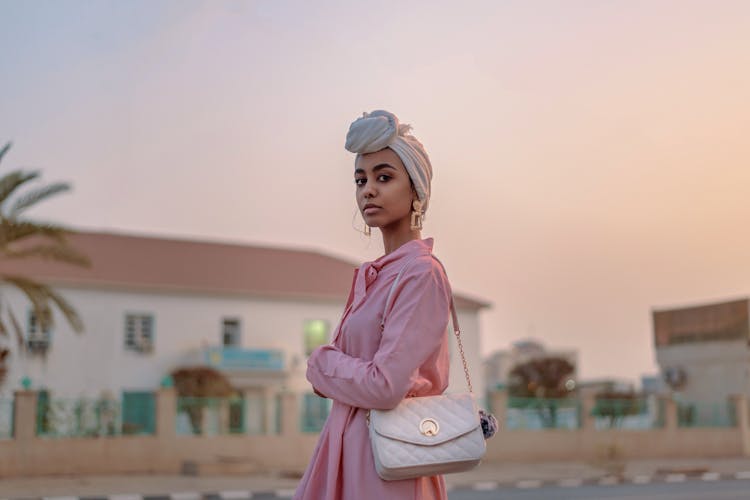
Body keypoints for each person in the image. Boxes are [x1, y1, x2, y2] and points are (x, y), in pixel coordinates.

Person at [293, 110, 452, 500]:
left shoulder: (420, 274)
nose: (368, 190)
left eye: (384, 177)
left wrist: (320, 365)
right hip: (346, 452)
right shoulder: (372, 276)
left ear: (416, 190)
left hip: (389, 467)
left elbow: (385, 386)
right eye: (360, 180)